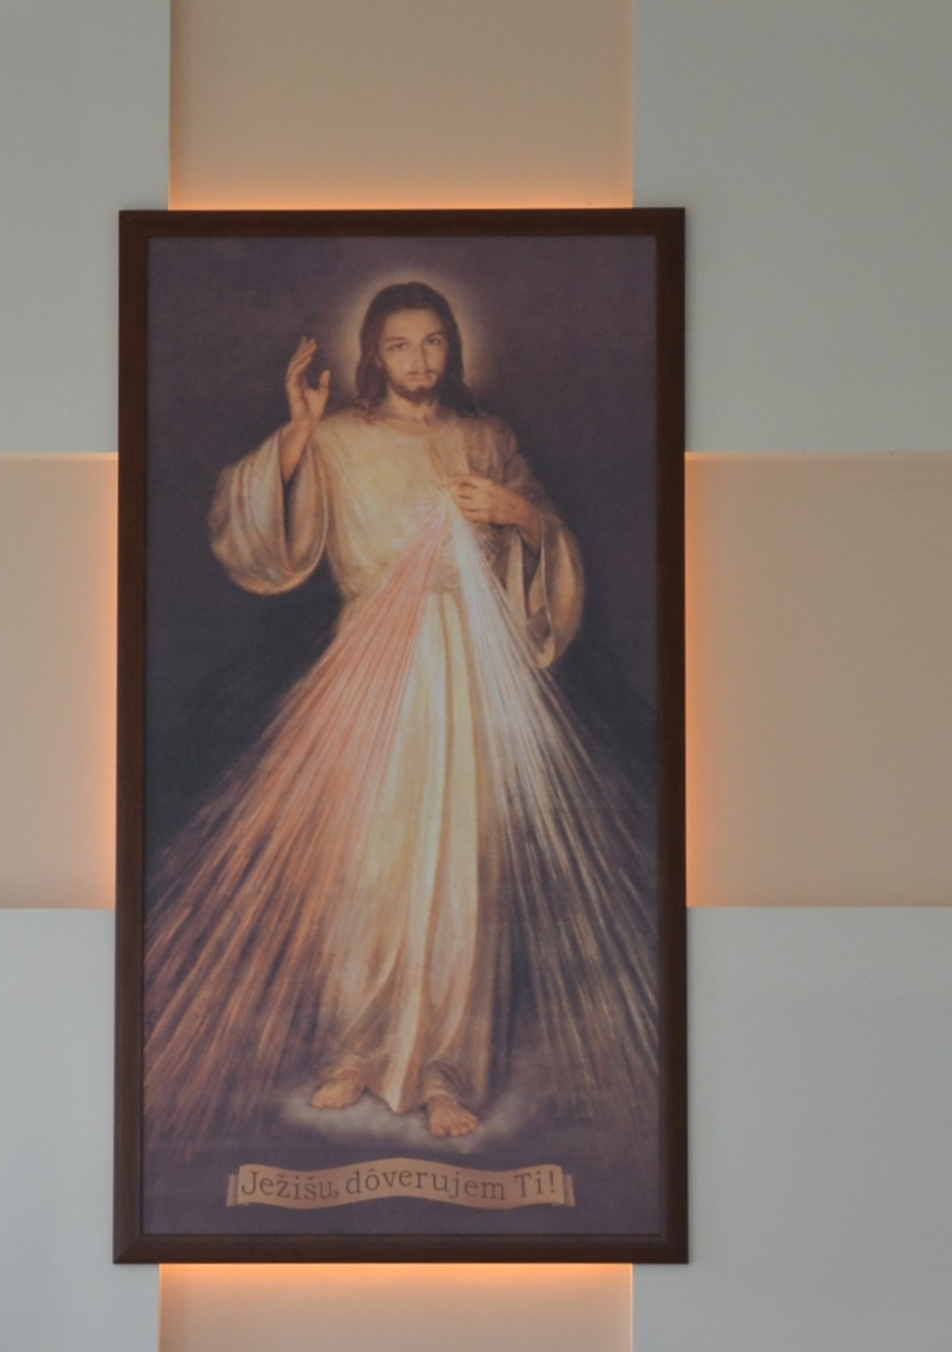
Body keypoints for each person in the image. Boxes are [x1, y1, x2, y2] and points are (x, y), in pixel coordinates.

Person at [144, 281, 656, 1148]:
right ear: (373, 357)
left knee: (461, 871)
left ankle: (446, 1069)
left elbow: (550, 552)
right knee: (369, 862)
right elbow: (255, 535)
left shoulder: (487, 439)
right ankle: (357, 1046)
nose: (420, 361)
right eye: (399, 345)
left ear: (451, 346)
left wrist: (521, 516)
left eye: (433, 342)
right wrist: (298, 431)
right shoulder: (338, 440)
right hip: (370, 668)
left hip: (469, 668)